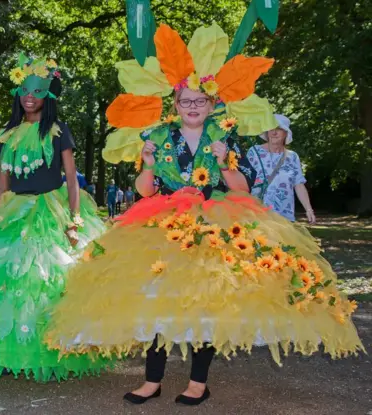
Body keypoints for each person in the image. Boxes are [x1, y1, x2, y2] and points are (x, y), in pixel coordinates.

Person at [46, 23, 362, 407]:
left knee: (206, 301)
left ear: (212, 104)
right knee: (156, 300)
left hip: (214, 218)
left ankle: (198, 382)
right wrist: (145, 164)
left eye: (199, 101)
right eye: (185, 101)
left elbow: (241, 187)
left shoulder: (226, 134)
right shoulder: (158, 137)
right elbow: (145, 190)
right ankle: (152, 380)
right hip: (162, 220)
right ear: (175, 105)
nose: (192, 107)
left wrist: (223, 160)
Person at [0, 54, 109, 382]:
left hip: (51, 210)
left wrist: (75, 221)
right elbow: (3, 182)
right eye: (24, 90)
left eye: (38, 91)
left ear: (49, 96)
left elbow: (71, 178)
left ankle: (50, 352)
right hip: (14, 210)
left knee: (46, 279)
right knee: (3, 279)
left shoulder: (59, 131)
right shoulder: (8, 134)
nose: (30, 96)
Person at [247, 114, 315, 223]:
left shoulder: (292, 157)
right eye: (271, 129)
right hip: (257, 214)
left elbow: (298, 184)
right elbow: (244, 179)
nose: (274, 132)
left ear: (286, 134)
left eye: (278, 129)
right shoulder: (254, 152)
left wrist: (308, 209)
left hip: (284, 216)